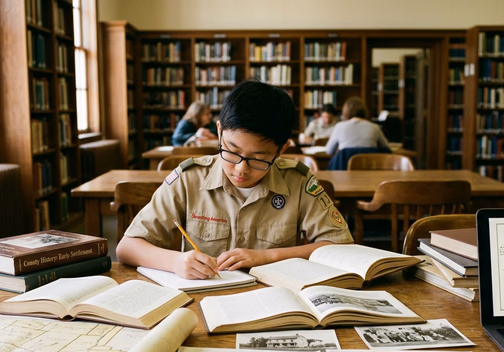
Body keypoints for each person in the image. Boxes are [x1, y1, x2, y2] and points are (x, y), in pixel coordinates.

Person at [117, 79, 353, 279]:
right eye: (231, 151)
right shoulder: (189, 179)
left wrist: (267, 257)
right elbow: (127, 248)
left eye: (258, 158)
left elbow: (341, 247)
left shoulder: (298, 182)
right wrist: (175, 262)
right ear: (219, 132)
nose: (241, 169)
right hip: (204, 300)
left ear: (282, 150)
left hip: (277, 302)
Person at [324, 97, 390, 155]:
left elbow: (329, 151)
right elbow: (387, 149)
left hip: (345, 168)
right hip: (369, 167)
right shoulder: (374, 127)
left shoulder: (339, 127)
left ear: (345, 111)